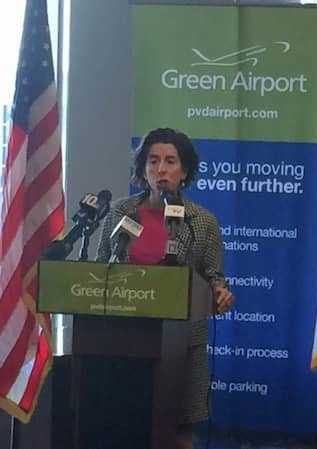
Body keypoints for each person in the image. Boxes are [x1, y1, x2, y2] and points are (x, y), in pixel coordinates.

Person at [96, 127, 234, 448]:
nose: (161, 168)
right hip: (124, 337)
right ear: (143, 169)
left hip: (182, 343)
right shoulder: (121, 212)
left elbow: (215, 278)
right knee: (122, 424)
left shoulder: (201, 221)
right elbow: (102, 266)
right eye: (153, 160)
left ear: (184, 171)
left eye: (170, 161)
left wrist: (220, 293)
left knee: (179, 429)